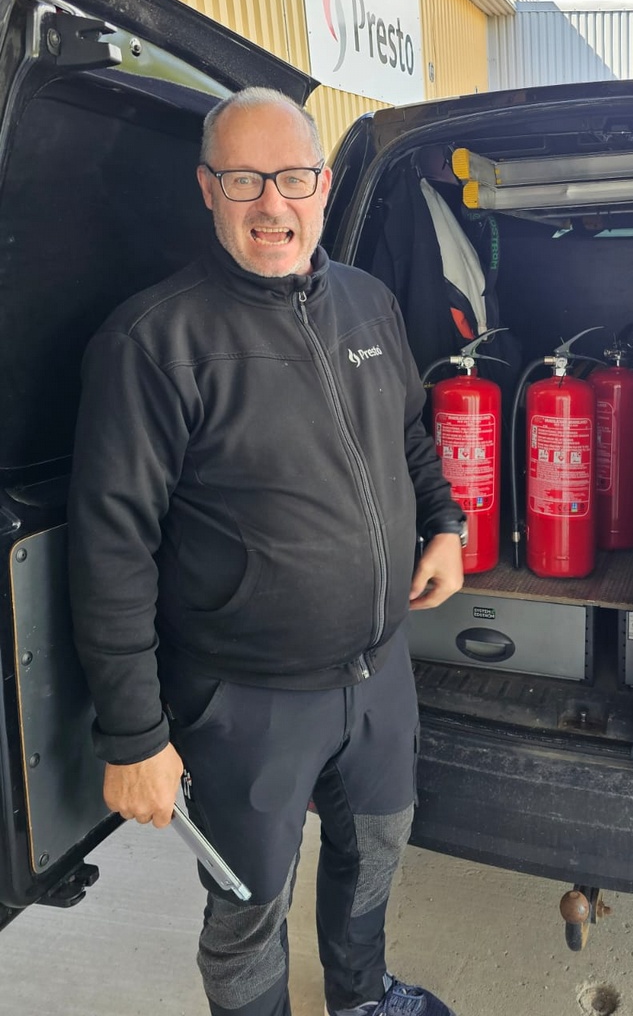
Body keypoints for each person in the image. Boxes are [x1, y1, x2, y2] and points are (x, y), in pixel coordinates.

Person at [68, 88, 466, 1016]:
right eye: (244, 180)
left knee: (378, 848)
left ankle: (361, 997)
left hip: (379, 671)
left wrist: (444, 522)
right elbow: (111, 547)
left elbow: (409, 433)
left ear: (323, 185)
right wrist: (135, 734)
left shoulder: (368, 303)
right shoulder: (154, 341)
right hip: (244, 699)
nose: (271, 204)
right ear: (208, 188)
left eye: (291, 178)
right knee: (248, 906)